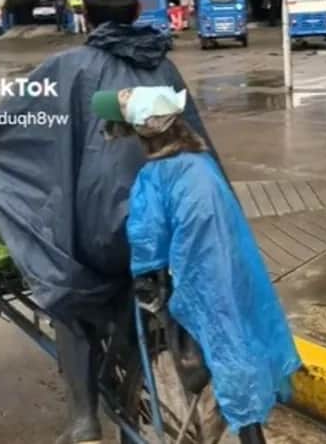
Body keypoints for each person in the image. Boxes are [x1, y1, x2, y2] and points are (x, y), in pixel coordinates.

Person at [0, 0, 217, 444]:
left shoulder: (70, 69)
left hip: (107, 235)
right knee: (138, 269)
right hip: (175, 223)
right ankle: (151, 354)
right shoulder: (163, 65)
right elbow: (191, 141)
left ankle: (84, 419)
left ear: (84, 14)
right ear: (135, 9)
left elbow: (14, 124)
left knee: (68, 288)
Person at [91, 86, 301, 443]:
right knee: (239, 345)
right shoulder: (202, 163)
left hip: (199, 278)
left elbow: (146, 241)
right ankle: (249, 428)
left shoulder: (155, 177)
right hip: (236, 269)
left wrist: (146, 280)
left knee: (220, 352)